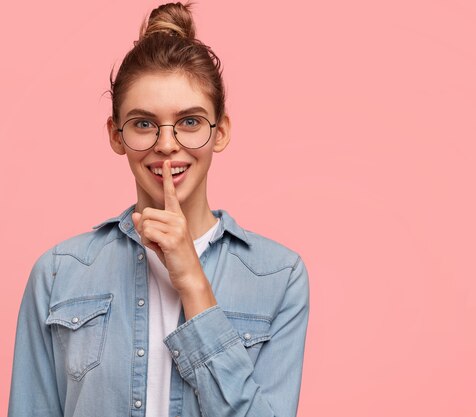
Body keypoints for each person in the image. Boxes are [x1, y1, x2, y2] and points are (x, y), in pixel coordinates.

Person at [8, 2, 309, 416]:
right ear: (116, 136)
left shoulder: (279, 277)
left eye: (189, 121)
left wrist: (192, 282)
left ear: (219, 132)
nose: (166, 144)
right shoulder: (59, 273)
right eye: (144, 123)